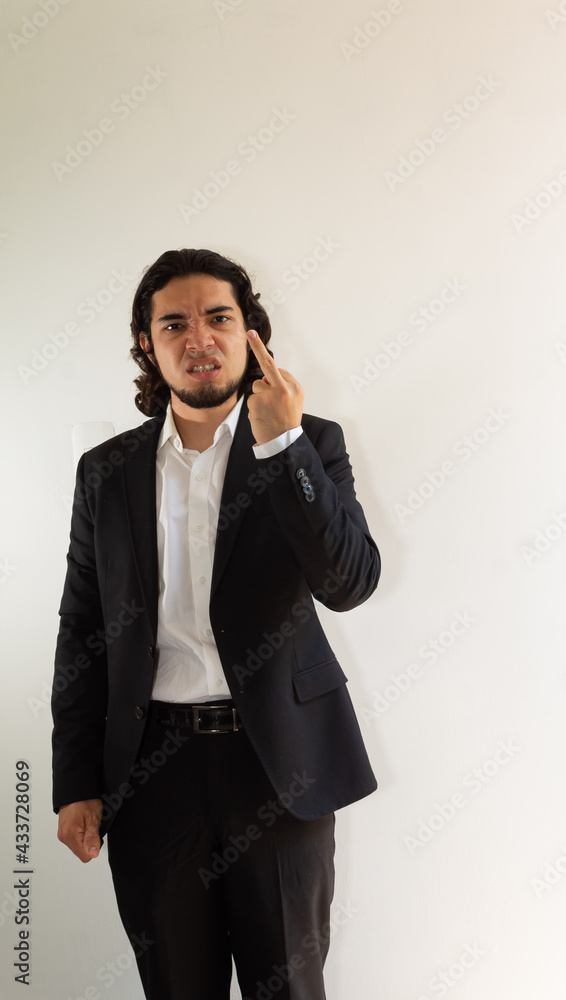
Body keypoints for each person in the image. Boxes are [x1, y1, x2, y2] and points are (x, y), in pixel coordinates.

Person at [51, 248, 380, 1000]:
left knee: (287, 987)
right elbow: (81, 628)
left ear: (250, 333)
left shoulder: (310, 442)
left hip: (278, 767)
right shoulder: (107, 472)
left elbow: (349, 583)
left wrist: (285, 444)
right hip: (151, 770)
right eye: (175, 323)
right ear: (147, 344)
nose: (198, 337)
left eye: (218, 318)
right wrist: (75, 779)